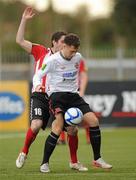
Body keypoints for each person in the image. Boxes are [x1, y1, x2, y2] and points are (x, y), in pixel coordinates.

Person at [15, 7, 87, 172]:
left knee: (72, 129)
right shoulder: (41, 51)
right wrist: (24, 19)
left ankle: (74, 161)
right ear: (54, 42)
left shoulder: (69, 57)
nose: (66, 44)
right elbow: (19, 41)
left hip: (58, 96)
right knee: (36, 125)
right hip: (40, 95)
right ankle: (24, 152)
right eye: (63, 41)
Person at [33, 33, 112, 173]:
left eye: (76, 51)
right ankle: (44, 163)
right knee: (58, 128)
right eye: (71, 50)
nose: (73, 53)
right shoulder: (52, 60)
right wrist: (38, 84)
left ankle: (97, 159)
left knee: (93, 121)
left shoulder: (78, 57)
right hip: (56, 96)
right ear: (64, 46)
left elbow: (80, 72)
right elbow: (38, 75)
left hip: (73, 96)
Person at [58, 59, 90, 144]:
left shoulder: (78, 59)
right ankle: (61, 138)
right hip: (62, 91)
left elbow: (84, 75)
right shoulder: (57, 59)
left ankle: (89, 137)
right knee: (60, 113)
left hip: (75, 91)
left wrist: (82, 91)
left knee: (83, 114)